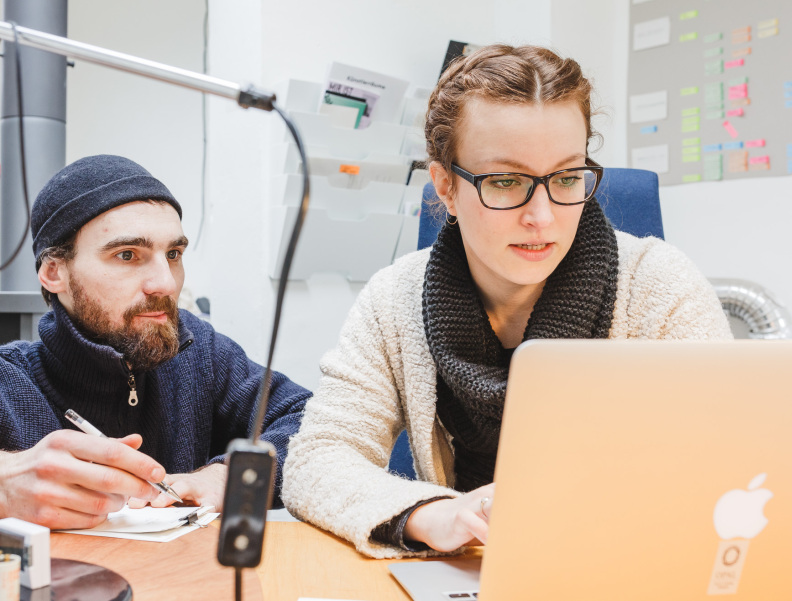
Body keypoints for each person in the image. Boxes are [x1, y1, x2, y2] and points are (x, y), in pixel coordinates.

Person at [282, 44, 732, 558]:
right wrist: (433, 513)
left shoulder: (659, 285)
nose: (541, 216)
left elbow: (721, 462)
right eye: (505, 181)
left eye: (565, 178)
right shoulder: (393, 298)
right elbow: (317, 458)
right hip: (468, 572)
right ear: (446, 186)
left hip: (623, 564)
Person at [0, 154, 310, 530]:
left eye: (174, 254)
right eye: (128, 254)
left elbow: (315, 422)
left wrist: (226, 477)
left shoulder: (197, 351)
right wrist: (6, 484)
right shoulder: (8, 382)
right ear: (54, 272)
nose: (165, 283)